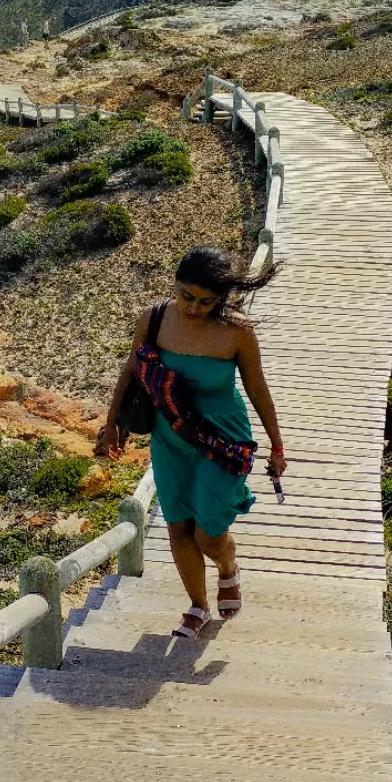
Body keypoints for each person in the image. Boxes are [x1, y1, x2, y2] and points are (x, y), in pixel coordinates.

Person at [97, 246, 286, 638]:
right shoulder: (154, 319)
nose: (193, 308)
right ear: (176, 284)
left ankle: (228, 563)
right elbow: (132, 371)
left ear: (221, 300)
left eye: (205, 301)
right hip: (170, 438)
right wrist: (112, 422)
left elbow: (257, 388)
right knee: (178, 526)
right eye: (186, 296)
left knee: (208, 533)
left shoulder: (237, 332)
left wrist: (277, 444)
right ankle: (198, 606)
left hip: (223, 439)